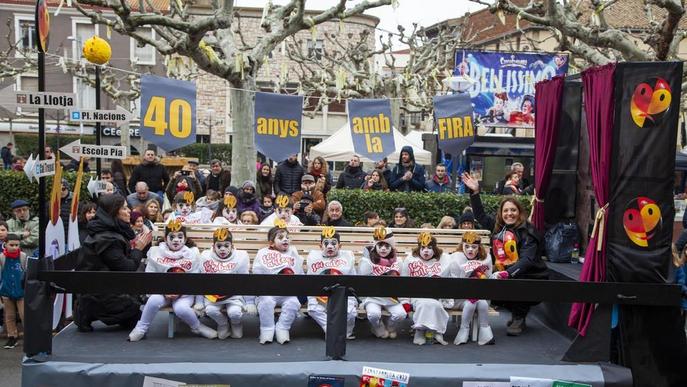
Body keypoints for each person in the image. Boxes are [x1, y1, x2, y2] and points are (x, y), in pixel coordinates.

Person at [461, 172, 547, 336]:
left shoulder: (528, 232)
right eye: (506, 211)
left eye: (513, 210)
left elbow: (527, 260)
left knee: (517, 281)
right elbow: (480, 216)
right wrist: (475, 192)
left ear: (519, 212)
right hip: (505, 273)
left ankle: (519, 316)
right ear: (501, 213)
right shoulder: (499, 228)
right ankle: (516, 311)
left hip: (531, 277)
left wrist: (506, 273)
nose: (509, 214)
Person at [128, 219, 217, 341]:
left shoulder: (193, 254)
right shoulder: (155, 253)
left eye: (180, 237)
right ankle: (141, 328)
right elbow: (150, 277)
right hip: (161, 291)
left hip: (185, 293)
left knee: (181, 308)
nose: (176, 240)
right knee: (154, 300)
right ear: (165, 238)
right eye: (172, 236)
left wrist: (179, 292)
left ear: (185, 239)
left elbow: (196, 278)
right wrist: (165, 291)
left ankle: (197, 327)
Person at [75, 194, 152, 332]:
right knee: (135, 315)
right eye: (124, 208)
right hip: (99, 289)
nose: (129, 211)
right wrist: (138, 249)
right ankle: (87, 311)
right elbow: (126, 268)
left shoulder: (107, 228)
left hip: (104, 282)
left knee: (134, 316)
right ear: (114, 212)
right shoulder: (107, 238)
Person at [251, 224, 304, 344]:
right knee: (266, 302)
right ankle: (267, 329)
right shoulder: (263, 253)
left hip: (288, 292)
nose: (285, 239)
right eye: (280, 238)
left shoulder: (293, 253)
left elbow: (299, 273)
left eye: (287, 237)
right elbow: (257, 273)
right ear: (271, 243)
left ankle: (283, 328)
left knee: (293, 303)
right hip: (268, 291)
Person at [402, 231, 457, 345]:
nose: (426, 250)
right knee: (424, 304)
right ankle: (421, 332)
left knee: (435, 304)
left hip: (437, 297)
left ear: (435, 248)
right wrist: (405, 300)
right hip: (417, 296)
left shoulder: (444, 259)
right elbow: (403, 281)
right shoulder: (410, 260)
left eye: (429, 247)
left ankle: (435, 332)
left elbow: (451, 279)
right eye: (423, 247)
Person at [198, 228, 253, 339]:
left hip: (234, 295)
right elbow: (201, 280)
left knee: (235, 313)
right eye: (219, 246)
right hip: (212, 296)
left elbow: (245, 280)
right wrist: (199, 301)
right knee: (210, 311)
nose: (222, 249)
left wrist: (249, 301)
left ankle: (236, 324)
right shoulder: (205, 257)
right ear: (213, 247)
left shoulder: (241, 257)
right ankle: (223, 324)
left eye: (226, 246)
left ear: (232, 246)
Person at [306, 227, 357, 339]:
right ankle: (330, 329)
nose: (330, 246)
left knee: (350, 313)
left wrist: (352, 299)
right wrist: (312, 298)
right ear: (320, 246)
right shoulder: (313, 258)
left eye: (334, 243)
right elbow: (310, 282)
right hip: (320, 296)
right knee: (313, 309)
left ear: (340, 246)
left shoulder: (348, 258)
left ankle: (346, 333)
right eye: (326, 243)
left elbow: (353, 281)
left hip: (343, 295)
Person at [359, 226, 407, 339]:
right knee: (374, 314)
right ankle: (378, 327)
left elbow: (402, 282)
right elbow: (363, 282)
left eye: (387, 246)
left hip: (391, 297)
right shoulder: (367, 260)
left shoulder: (398, 261)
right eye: (380, 245)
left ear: (392, 247)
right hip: (373, 297)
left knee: (401, 315)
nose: (383, 249)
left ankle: (390, 327)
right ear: (375, 246)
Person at [452, 231, 494, 345]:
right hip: (458, 298)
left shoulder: (486, 258)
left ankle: (484, 333)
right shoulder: (456, 258)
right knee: (472, 302)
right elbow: (454, 283)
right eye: (467, 246)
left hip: (479, 295)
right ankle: (464, 330)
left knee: (482, 303)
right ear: (462, 246)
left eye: (474, 247)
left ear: (479, 247)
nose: (470, 250)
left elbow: (488, 278)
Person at [1, 234, 27, 349]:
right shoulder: (2, 257)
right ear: (5, 245)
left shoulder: (23, 257)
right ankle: (12, 337)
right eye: (11, 245)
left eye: (17, 245)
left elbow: (26, 273)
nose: (15, 247)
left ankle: (30, 336)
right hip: (6, 290)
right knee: (9, 316)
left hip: (21, 291)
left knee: (24, 315)